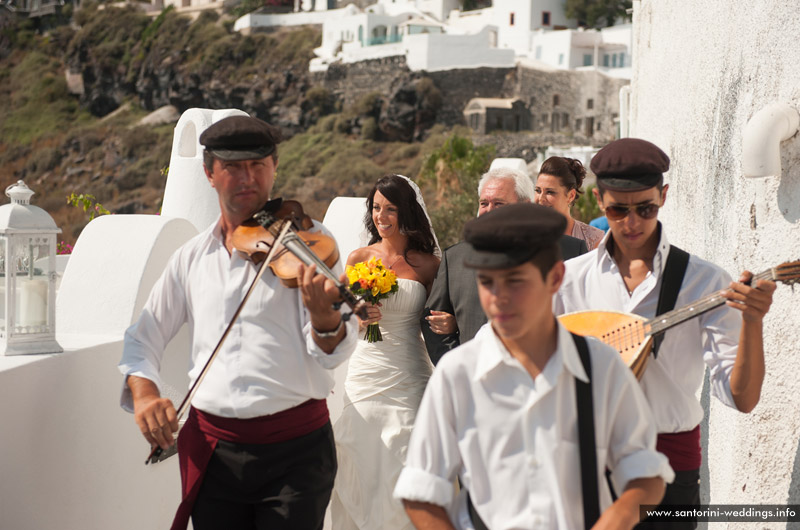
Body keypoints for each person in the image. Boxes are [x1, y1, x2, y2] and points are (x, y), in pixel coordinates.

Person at [118, 115, 358, 530]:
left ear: (275, 168)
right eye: (233, 167)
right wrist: (143, 392)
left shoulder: (310, 242)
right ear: (210, 174)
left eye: (258, 165)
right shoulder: (191, 259)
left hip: (296, 454)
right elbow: (143, 336)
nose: (248, 178)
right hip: (214, 453)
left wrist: (324, 319)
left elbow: (337, 350)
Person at [394, 203, 673, 529]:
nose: (498, 297)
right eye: (487, 282)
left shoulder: (601, 366)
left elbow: (645, 475)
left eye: (515, 281)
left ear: (555, 277)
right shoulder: (458, 374)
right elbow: (421, 492)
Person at [554, 138, 777, 527]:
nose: (632, 222)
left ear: (664, 195)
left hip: (671, 465)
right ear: (598, 200)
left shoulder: (703, 282)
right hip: (586, 460)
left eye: (646, 208)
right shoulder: (569, 282)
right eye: (618, 209)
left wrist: (753, 323)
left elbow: (741, 398)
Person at [330, 174, 440, 530]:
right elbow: (340, 314)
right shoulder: (359, 257)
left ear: (406, 211)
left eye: (390, 209)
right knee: (358, 454)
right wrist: (360, 317)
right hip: (366, 371)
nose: (381, 216)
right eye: (376, 208)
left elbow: (438, 314)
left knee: (407, 458)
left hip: (410, 371)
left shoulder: (429, 264)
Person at [422, 167, 588, 365]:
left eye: (499, 203)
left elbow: (586, 316)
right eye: (484, 203)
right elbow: (433, 324)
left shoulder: (569, 252)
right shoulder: (455, 258)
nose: (489, 211)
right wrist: (462, 366)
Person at [535, 156, 606, 249]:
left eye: (550, 192)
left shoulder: (593, 238)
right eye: (538, 190)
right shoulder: (524, 234)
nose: (541, 198)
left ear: (571, 195)